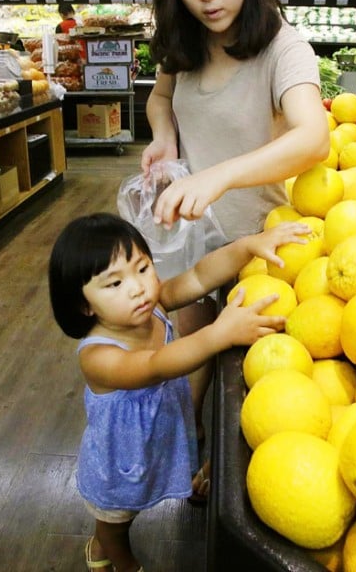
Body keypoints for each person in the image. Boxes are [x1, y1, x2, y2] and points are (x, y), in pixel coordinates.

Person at [140, 0, 329, 444]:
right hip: (192, 238)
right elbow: (161, 97)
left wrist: (219, 175)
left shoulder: (283, 49)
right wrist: (164, 136)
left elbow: (313, 136)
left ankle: (210, 458)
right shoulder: (184, 40)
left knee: (248, 381)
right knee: (190, 355)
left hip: (260, 249)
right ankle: (193, 449)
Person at [49, 212, 309, 572]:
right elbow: (157, 365)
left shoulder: (152, 305)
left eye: (142, 269)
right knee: (117, 516)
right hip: (120, 459)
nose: (138, 287)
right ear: (84, 304)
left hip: (158, 435)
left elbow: (200, 275)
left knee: (134, 499)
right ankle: (116, 558)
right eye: (114, 284)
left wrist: (247, 246)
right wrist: (218, 334)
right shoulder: (98, 356)